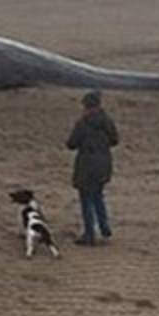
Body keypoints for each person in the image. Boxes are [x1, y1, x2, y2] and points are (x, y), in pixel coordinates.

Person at [67, 90, 119, 245]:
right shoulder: (107, 121)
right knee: (98, 197)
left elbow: (71, 144)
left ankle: (89, 234)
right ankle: (105, 229)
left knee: (86, 200)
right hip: (103, 164)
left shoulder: (82, 124)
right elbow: (115, 140)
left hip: (86, 165)